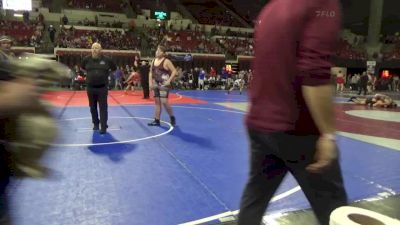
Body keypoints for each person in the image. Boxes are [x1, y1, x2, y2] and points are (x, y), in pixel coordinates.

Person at [237, 1, 348, 225]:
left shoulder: (271, 8)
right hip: (299, 130)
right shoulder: (321, 4)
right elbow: (314, 72)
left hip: (259, 124)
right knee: (336, 212)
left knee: (254, 201)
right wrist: (328, 133)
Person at [81, 42, 116, 134]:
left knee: (103, 107)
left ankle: (103, 126)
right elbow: (82, 68)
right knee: (92, 107)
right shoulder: (86, 60)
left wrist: (108, 76)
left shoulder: (107, 60)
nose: (94, 50)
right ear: (91, 49)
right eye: (93, 48)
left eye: (97, 48)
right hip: (90, 88)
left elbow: (114, 68)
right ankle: (96, 123)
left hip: (102, 88)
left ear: (100, 50)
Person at [148, 45, 177, 127]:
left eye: (159, 51)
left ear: (163, 53)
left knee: (164, 101)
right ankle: (157, 120)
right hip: (156, 83)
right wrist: (150, 83)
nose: (157, 52)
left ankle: (172, 117)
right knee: (157, 102)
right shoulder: (153, 60)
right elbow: (150, 72)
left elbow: (174, 71)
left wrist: (169, 81)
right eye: (157, 50)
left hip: (164, 84)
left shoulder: (166, 61)